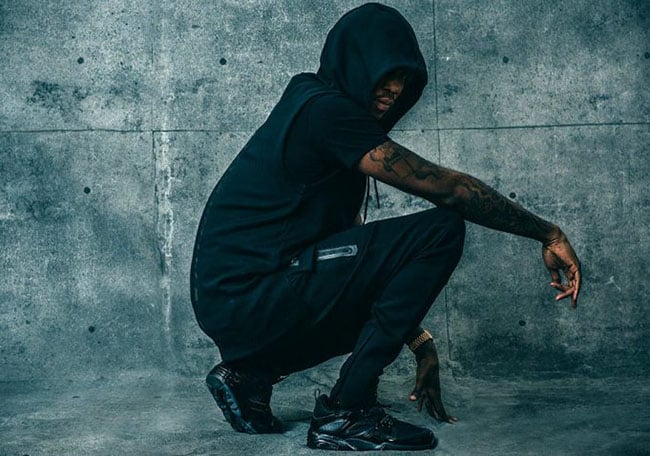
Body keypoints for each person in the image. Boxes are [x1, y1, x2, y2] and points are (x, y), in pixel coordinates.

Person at [190, 2, 581, 452]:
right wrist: (548, 233)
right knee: (441, 229)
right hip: (248, 294)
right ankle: (346, 411)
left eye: (404, 80)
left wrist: (419, 341)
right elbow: (451, 191)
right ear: (355, 64)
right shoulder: (324, 111)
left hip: (239, 300)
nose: (393, 90)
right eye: (384, 74)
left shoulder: (323, 117)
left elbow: (360, 275)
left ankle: (248, 376)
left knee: (373, 271)